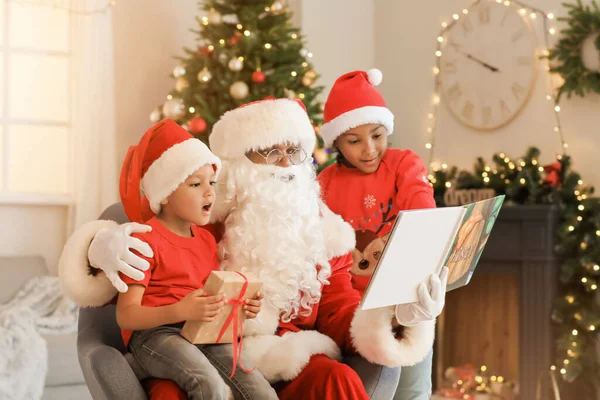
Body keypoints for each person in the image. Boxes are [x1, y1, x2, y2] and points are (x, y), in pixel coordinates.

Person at [59, 99, 442, 400]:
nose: (286, 165)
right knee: (172, 391)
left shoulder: (323, 232)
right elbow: (146, 228)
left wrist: (398, 317)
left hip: (291, 360)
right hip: (209, 351)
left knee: (337, 380)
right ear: (238, 167)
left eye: (294, 151)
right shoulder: (206, 219)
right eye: (270, 152)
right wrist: (98, 247)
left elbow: (340, 311)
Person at [114, 119, 277, 400]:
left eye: (212, 182)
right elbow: (125, 314)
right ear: (164, 194)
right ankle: (142, 364)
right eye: (195, 184)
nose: (210, 192)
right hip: (155, 336)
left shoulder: (205, 240)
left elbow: (209, 299)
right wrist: (179, 311)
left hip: (202, 332)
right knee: (208, 385)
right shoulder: (144, 241)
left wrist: (242, 306)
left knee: (258, 387)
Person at [318, 68, 448, 400]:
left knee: (414, 392)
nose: (369, 149)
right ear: (336, 141)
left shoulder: (404, 163)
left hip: (408, 305)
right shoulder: (324, 184)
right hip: (357, 317)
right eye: (354, 141)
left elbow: (421, 203)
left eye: (377, 135)